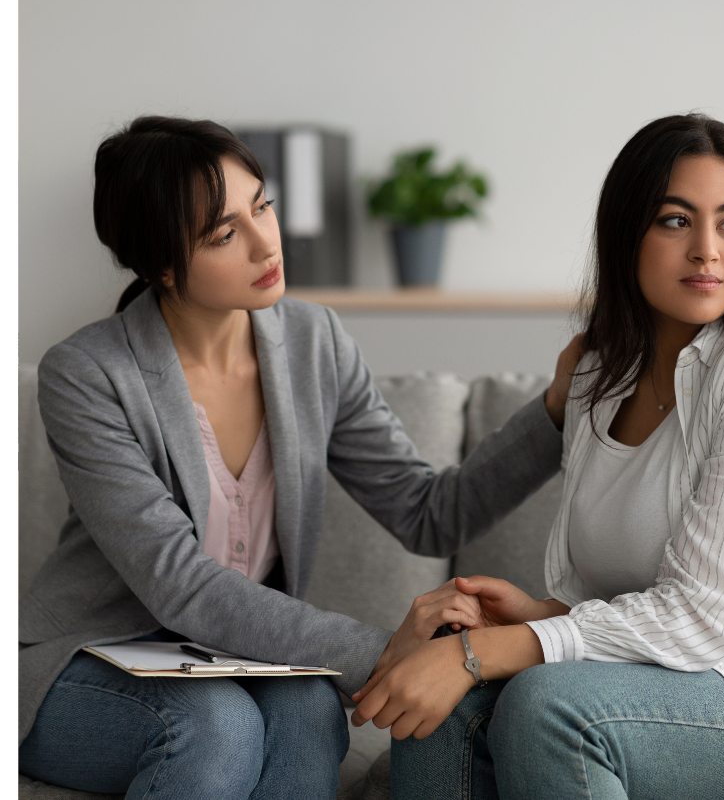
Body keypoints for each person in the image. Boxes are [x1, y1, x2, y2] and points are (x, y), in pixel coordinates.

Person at [18, 115, 583, 800]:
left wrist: (557, 407)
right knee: (214, 723)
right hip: (82, 660)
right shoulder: (87, 374)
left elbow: (429, 514)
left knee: (312, 709)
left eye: (263, 206)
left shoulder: (314, 341)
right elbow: (180, 586)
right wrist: (388, 651)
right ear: (164, 265)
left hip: (231, 660)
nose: (265, 244)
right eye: (226, 234)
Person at [351, 114, 724, 800]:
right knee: (442, 714)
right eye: (675, 221)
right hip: (678, 684)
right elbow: (621, 606)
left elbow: (698, 620)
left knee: (550, 708)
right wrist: (538, 615)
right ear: (626, 234)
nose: (708, 250)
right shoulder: (597, 376)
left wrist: (480, 652)